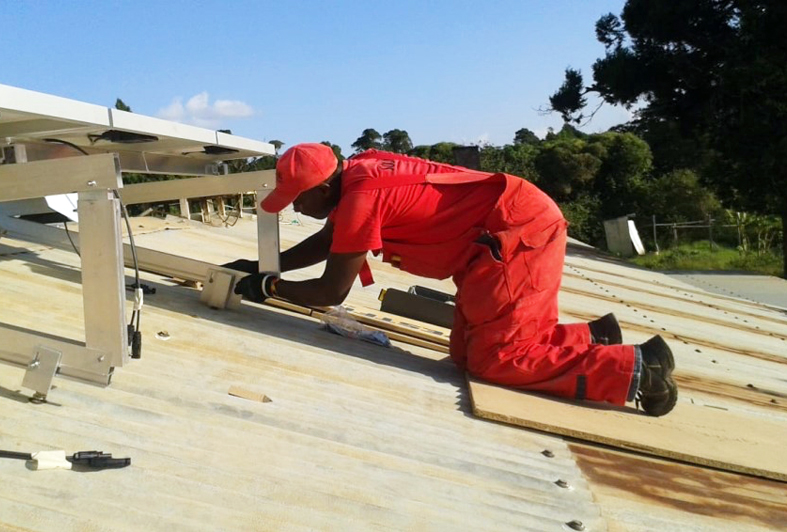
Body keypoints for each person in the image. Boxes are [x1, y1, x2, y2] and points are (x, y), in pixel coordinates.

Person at [226, 143, 678, 416]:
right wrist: (267, 266)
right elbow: (331, 241)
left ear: (324, 188)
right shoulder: (357, 173)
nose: (293, 208)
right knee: (464, 354)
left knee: (495, 361)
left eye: (297, 200)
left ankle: (637, 371)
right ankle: (595, 339)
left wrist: (266, 288)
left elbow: (331, 290)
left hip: (515, 233)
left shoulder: (361, 198)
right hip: (496, 237)